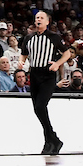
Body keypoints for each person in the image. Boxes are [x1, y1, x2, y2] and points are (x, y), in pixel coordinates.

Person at [21, 9, 72, 155]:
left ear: (47, 21)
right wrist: (20, 62)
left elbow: (67, 53)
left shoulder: (53, 37)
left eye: (42, 18)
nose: (39, 20)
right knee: (38, 109)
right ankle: (51, 140)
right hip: (34, 74)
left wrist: (57, 63)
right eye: (37, 17)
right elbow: (23, 54)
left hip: (48, 75)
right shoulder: (29, 37)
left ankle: (52, 139)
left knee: (41, 106)